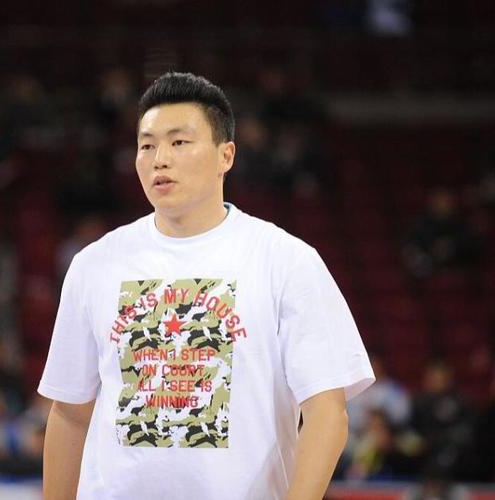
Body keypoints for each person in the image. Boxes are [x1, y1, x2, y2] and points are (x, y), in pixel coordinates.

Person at [38, 72, 375, 500]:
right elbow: (69, 413)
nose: (160, 159)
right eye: (147, 145)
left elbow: (327, 413)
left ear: (225, 156)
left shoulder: (286, 261)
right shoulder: (93, 265)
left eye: (179, 142)